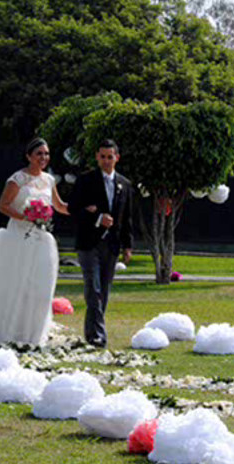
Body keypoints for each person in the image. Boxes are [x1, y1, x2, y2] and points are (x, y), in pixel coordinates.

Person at [0, 138, 69, 345]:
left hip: (41, 240)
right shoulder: (17, 179)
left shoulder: (49, 180)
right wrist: (26, 216)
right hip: (18, 238)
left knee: (39, 288)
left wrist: (83, 209)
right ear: (29, 156)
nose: (43, 158)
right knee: (15, 285)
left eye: (46, 154)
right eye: (39, 154)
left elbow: (59, 205)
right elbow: (3, 205)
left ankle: (31, 333)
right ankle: (7, 330)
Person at [68, 139, 134, 347]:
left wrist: (128, 245)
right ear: (97, 157)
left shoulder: (125, 184)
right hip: (89, 243)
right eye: (102, 157)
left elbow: (127, 218)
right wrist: (97, 218)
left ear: (117, 158)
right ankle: (99, 335)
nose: (106, 161)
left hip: (112, 244)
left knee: (104, 289)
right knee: (93, 287)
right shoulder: (86, 180)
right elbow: (73, 209)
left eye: (110, 157)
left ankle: (91, 333)